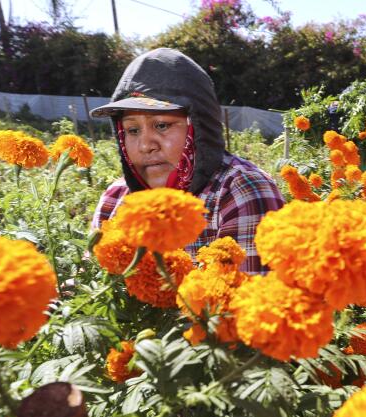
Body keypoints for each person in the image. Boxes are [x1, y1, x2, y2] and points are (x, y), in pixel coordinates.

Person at [90, 48, 284, 274]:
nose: (145, 145)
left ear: (198, 126)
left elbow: (247, 304)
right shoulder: (114, 199)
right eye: (132, 130)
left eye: (161, 125)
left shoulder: (241, 191)